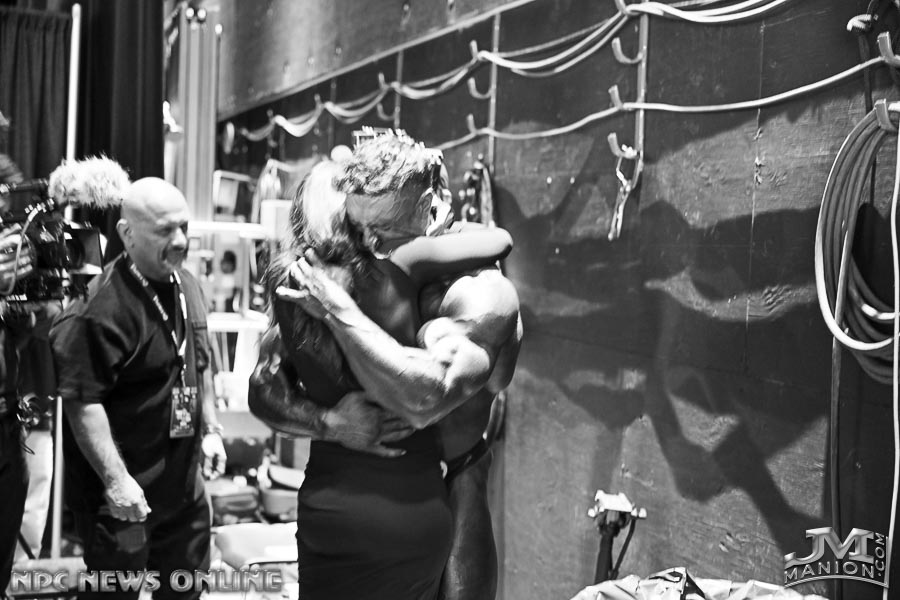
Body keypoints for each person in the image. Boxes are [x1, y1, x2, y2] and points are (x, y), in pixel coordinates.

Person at [250, 135, 521, 600]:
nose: (372, 239)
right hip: (398, 503)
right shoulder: (395, 267)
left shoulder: (294, 283)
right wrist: (328, 422)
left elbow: (430, 394)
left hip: (377, 503)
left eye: (383, 224)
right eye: (362, 223)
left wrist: (330, 419)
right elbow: (263, 386)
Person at [49, 178, 226, 600]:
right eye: (165, 230)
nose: (180, 240)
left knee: (186, 588)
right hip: (122, 500)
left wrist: (212, 430)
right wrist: (116, 481)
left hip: (184, 491)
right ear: (127, 234)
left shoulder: (188, 285)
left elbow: (199, 365)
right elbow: (81, 402)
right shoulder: (98, 308)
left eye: (184, 227)